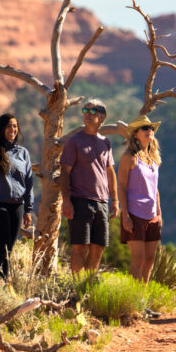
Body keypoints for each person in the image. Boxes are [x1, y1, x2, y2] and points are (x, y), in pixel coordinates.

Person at [60, 99, 119, 274]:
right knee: (80, 247)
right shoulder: (74, 141)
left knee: (98, 248)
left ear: (102, 117)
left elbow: (110, 173)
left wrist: (114, 201)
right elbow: (65, 172)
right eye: (85, 110)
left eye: (92, 111)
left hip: (102, 202)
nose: (87, 114)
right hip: (80, 201)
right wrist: (66, 201)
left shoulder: (105, 142)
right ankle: (77, 289)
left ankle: (87, 287)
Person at [0, 114, 34, 278]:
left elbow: (29, 182)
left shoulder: (23, 153)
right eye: (9, 126)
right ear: (1, 128)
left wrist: (28, 209)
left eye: (15, 126)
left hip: (17, 205)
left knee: (9, 247)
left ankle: (2, 283)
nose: (13, 129)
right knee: (3, 245)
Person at [118, 115, 162, 282]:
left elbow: (155, 189)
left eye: (151, 128)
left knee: (150, 260)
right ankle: (133, 301)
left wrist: (159, 214)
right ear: (135, 134)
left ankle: (142, 300)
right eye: (145, 128)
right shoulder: (129, 157)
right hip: (135, 214)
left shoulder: (153, 160)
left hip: (152, 216)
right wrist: (125, 215)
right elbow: (121, 186)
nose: (149, 131)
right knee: (139, 259)